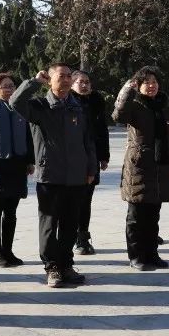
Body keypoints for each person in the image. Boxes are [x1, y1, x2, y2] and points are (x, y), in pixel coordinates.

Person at [10, 64, 98, 288]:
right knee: (49, 224)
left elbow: (88, 141)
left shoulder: (78, 106)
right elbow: (14, 102)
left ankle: (66, 264)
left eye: (70, 76)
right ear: (50, 80)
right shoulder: (40, 106)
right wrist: (32, 82)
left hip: (76, 176)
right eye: (62, 76)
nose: (67, 80)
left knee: (70, 224)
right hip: (50, 175)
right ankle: (52, 267)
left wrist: (91, 169)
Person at [114, 67, 169, 269]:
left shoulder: (163, 105)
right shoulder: (134, 105)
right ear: (138, 85)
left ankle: (152, 254)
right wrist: (126, 90)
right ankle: (136, 256)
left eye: (154, 81)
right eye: (146, 82)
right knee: (136, 216)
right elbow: (118, 116)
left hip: (160, 166)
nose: (151, 86)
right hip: (139, 166)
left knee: (153, 215)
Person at [0, 72, 35, 268]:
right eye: (4, 86)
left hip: (17, 164)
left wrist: (30, 160)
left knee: (11, 212)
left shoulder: (20, 108)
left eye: (12, 86)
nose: (9, 89)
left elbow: (29, 135)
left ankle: (8, 251)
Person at [72, 71, 110, 255]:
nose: (85, 85)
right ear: (72, 84)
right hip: (70, 159)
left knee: (86, 200)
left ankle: (82, 237)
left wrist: (104, 156)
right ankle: (68, 235)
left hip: (91, 157)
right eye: (81, 82)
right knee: (72, 200)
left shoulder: (96, 102)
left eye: (87, 82)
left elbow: (102, 130)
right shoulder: (66, 102)